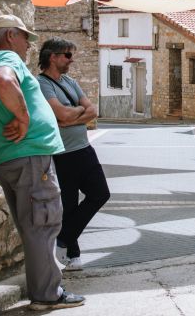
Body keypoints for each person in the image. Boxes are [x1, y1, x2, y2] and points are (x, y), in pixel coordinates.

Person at [0, 15, 85, 310]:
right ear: (10, 35)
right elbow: (5, 80)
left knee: (32, 226)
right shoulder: (5, 58)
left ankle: (45, 290)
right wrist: (23, 117)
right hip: (28, 155)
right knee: (43, 224)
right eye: (25, 38)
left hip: (5, 157)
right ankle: (47, 295)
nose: (29, 47)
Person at [37, 37, 109, 271]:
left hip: (84, 149)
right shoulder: (42, 84)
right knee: (68, 205)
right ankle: (72, 255)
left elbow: (92, 111)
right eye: (67, 55)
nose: (71, 59)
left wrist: (71, 117)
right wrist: (75, 115)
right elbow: (64, 115)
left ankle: (64, 239)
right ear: (52, 57)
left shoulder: (69, 81)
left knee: (100, 194)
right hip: (63, 154)